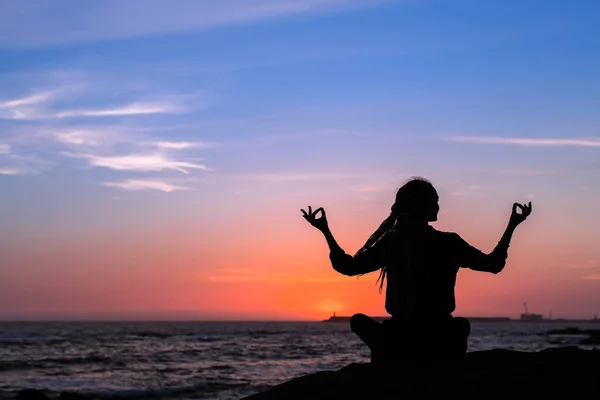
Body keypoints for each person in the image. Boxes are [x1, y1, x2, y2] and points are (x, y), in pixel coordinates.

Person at [301, 177, 532, 364]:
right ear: (422, 206)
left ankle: (388, 357)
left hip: (399, 336)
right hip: (440, 335)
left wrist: (325, 231)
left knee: (358, 321)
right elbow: (494, 265)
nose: (438, 206)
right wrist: (512, 225)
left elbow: (347, 267)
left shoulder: (392, 243)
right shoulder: (448, 242)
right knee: (461, 325)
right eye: (434, 201)